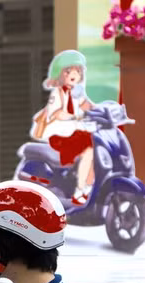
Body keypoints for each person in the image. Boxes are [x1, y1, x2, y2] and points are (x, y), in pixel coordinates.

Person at [30, 50, 95, 206]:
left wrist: (100, 111)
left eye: (77, 71)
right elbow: (56, 113)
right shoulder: (57, 93)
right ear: (60, 74)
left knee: (95, 148)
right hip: (59, 134)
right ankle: (80, 189)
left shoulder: (76, 93)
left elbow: (88, 106)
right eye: (68, 71)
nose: (74, 74)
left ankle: (88, 185)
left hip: (73, 131)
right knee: (88, 148)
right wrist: (72, 116)